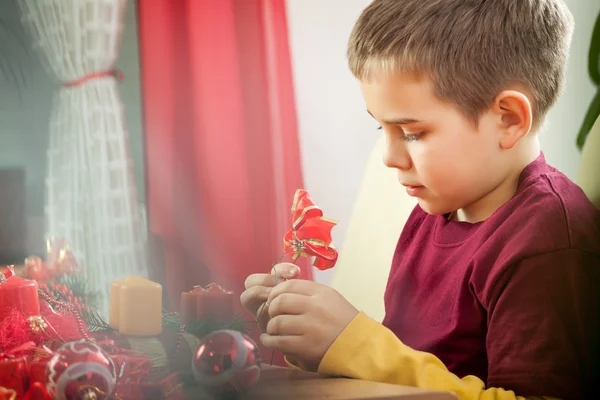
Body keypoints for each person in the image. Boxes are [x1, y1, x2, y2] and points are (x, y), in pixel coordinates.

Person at [240, 1, 600, 398]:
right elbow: (410, 365)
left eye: (411, 132)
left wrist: (356, 346)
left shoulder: (544, 242)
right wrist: (312, 340)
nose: (389, 157)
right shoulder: (437, 208)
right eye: (382, 127)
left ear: (509, 119)